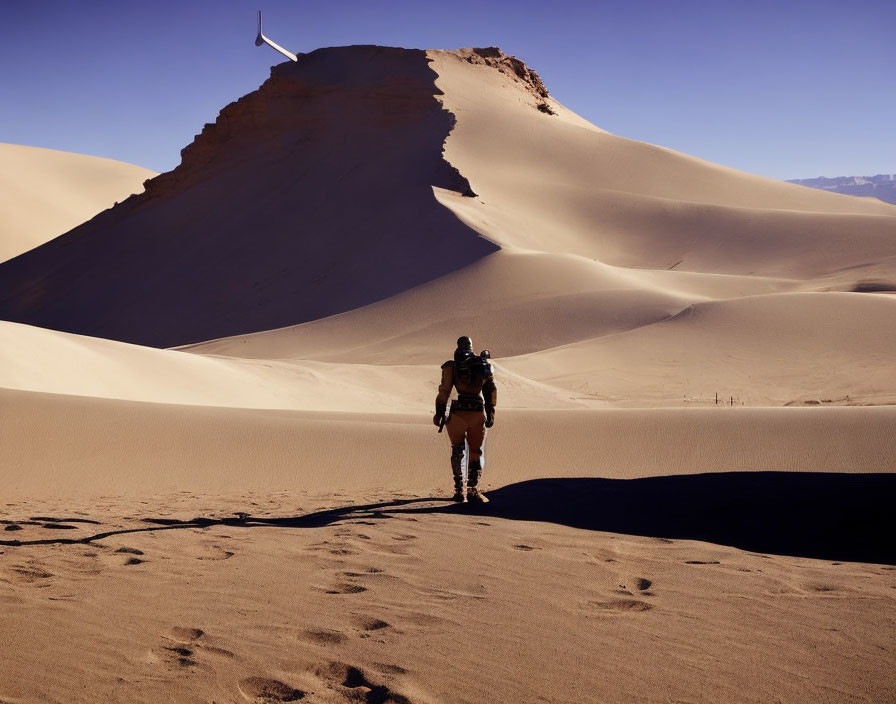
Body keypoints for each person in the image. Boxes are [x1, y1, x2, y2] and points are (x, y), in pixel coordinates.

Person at [433, 336, 497, 502]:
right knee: (476, 451)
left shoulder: (451, 367)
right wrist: (491, 412)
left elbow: (444, 391)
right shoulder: (482, 364)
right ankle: (473, 490)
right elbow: (490, 390)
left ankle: (459, 490)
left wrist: (439, 412)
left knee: (457, 450)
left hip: (457, 414)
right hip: (477, 412)